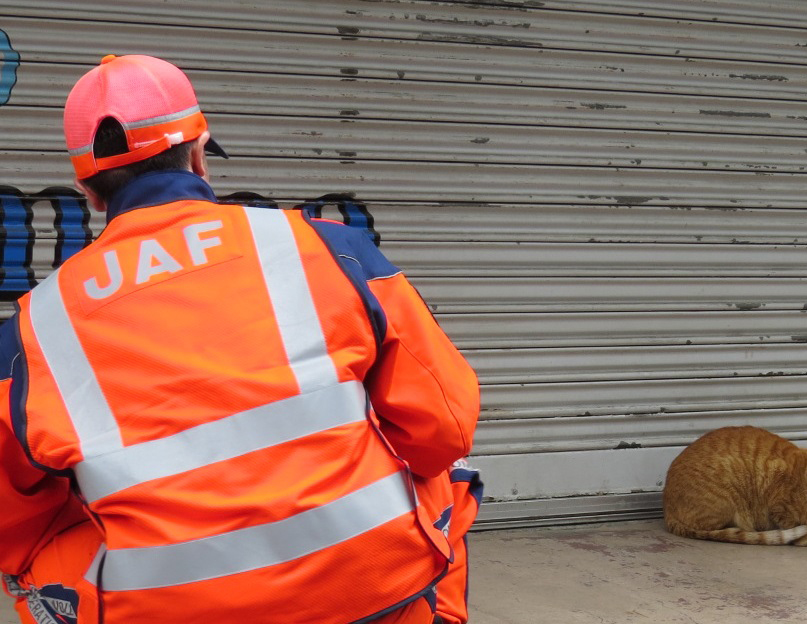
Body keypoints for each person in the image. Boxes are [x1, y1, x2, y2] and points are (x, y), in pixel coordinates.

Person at [0, 54, 481, 623]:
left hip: (164, 609)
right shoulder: (327, 248)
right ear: (200, 155)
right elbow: (442, 430)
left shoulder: (34, 326)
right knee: (445, 478)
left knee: (29, 556)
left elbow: (15, 514)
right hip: (368, 591)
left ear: (91, 190)